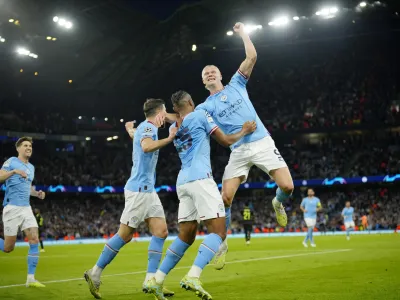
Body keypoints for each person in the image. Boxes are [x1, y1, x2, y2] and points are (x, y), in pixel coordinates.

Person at [196, 22, 294, 269]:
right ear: (203, 82)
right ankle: (221, 243)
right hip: (238, 150)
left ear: (219, 75)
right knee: (225, 198)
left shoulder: (236, 85)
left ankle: (277, 202)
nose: (210, 74)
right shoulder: (204, 107)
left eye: (213, 71)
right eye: (205, 73)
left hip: (261, 142)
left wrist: (242, 33)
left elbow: (252, 56)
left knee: (288, 186)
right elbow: (187, 119)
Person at [145, 90, 256, 300]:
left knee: (186, 237)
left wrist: (167, 113)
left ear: (176, 108)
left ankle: (156, 280)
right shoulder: (200, 115)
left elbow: (177, 117)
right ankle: (193, 275)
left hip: (183, 182)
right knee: (219, 232)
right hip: (201, 179)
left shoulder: (173, 126)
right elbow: (225, 140)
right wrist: (244, 130)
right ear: (189, 101)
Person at [84, 99, 177, 299]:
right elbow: (145, 146)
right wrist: (169, 139)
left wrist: (129, 131)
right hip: (139, 191)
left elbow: (138, 139)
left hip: (148, 191)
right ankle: (95, 272)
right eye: (165, 112)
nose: (166, 116)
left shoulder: (144, 128)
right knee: (124, 235)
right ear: (159, 113)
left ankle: (151, 281)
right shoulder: (149, 128)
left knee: (161, 232)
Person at [0, 137, 46, 287]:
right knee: (8, 248)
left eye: (30, 146)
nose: (29, 148)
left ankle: (30, 278)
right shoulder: (11, 162)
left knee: (34, 239)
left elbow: (28, 189)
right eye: (25, 145)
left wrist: (37, 193)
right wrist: (13, 171)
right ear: (18, 148)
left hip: (26, 208)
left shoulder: (31, 167)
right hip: (12, 207)